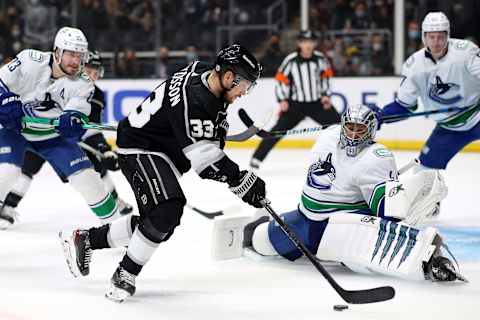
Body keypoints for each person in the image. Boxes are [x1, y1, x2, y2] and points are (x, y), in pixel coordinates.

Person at [59, 44, 267, 302]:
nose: (244, 92)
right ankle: (125, 274)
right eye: (244, 84)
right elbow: (206, 162)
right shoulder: (197, 101)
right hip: (141, 147)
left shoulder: (202, 72)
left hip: (161, 150)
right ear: (227, 77)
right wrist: (242, 181)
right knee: (167, 209)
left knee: (158, 223)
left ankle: (86, 239)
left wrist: (216, 130)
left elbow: (201, 125)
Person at [213, 104, 464, 283]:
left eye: (361, 130)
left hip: (342, 225)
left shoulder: (377, 157)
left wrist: (399, 204)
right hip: (304, 220)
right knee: (257, 240)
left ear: (371, 132)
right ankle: (262, 225)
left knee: (363, 263)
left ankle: (432, 256)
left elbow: (387, 214)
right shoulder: (328, 136)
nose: (353, 134)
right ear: (342, 126)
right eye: (350, 128)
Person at [0, 27, 123, 229]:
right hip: (16, 131)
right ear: (57, 51)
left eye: (80, 56)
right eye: (71, 54)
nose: (76, 61)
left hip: (51, 137)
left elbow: (75, 114)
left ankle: (118, 229)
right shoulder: (31, 59)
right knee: (7, 172)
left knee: (88, 180)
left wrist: (71, 121)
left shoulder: (84, 84)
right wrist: (4, 101)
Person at [371, 12, 480, 181]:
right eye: (431, 37)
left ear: (448, 36)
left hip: (477, 114)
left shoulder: (466, 51)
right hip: (448, 128)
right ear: (424, 37)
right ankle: (427, 207)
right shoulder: (414, 66)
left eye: (440, 37)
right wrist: (382, 116)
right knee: (423, 173)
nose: (436, 42)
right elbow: (404, 106)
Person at [250, 30, 340, 170]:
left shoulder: (320, 59)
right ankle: (257, 158)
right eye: (304, 41)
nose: (308, 45)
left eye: (310, 41)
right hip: (295, 105)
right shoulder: (291, 60)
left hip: (317, 103)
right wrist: (282, 100)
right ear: (299, 43)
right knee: (276, 132)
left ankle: (350, 156)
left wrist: (326, 95)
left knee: (340, 127)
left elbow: (326, 77)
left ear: (314, 43)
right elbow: (280, 80)